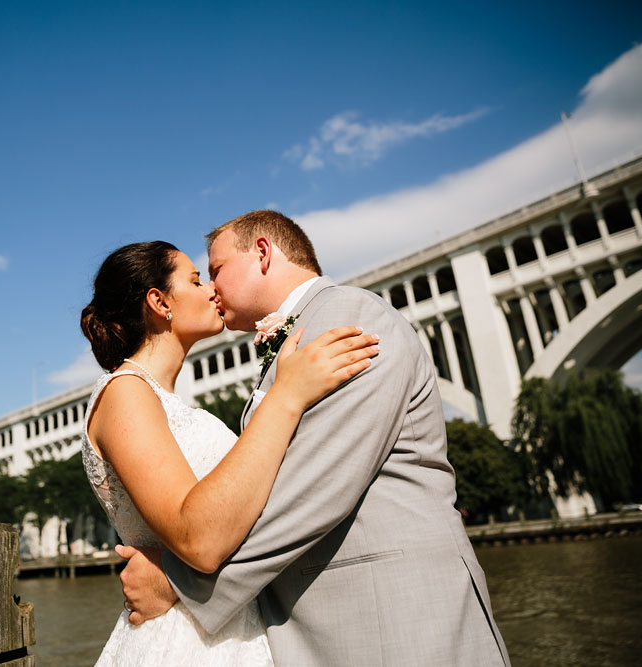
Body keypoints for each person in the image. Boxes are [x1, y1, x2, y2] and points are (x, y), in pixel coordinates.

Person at [117, 211, 512, 666]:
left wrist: (177, 582)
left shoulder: (350, 317)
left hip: (401, 627)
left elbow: (315, 487)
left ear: (263, 253)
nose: (212, 288)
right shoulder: (303, 336)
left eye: (217, 270)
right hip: (338, 630)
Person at [80, 240, 379, 665]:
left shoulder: (171, 404)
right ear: (159, 301)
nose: (212, 290)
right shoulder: (125, 392)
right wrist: (286, 396)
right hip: (188, 642)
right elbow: (198, 539)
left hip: (232, 625)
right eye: (197, 280)